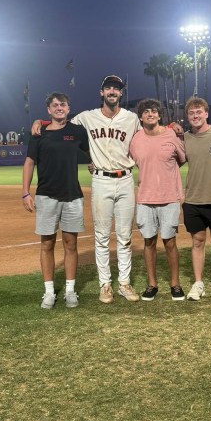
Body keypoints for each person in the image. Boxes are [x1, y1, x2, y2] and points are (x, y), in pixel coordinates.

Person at [32, 75, 141, 304]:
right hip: (101, 180)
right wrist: (41, 122)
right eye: (108, 88)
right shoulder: (86, 118)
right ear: (101, 92)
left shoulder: (131, 119)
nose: (113, 91)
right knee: (101, 236)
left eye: (117, 88)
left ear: (121, 93)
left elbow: (147, 135)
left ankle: (124, 282)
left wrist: (171, 126)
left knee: (124, 236)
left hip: (125, 179)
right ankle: (105, 285)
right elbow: (60, 124)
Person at [22, 92, 90, 309]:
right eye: (55, 105)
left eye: (63, 104)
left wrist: (93, 163)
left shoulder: (78, 131)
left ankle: (70, 291)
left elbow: (95, 151)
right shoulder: (39, 133)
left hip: (72, 195)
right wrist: (25, 192)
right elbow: (30, 162)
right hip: (46, 195)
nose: (59, 107)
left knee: (71, 244)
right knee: (47, 244)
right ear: (49, 110)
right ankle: (49, 291)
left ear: (69, 108)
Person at [129, 99, 187, 302]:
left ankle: (175, 284)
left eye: (154, 111)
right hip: (145, 198)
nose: (150, 114)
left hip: (169, 197)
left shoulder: (172, 135)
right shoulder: (135, 139)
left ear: (160, 115)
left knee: (170, 242)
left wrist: (164, 175)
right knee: (149, 241)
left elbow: (181, 159)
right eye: (146, 112)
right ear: (141, 116)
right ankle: (152, 284)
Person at [178, 97, 211, 304]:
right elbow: (172, 162)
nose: (196, 116)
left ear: (207, 113)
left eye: (199, 112)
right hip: (193, 200)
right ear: (188, 117)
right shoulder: (185, 138)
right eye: (191, 113)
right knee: (197, 242)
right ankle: (198, 283)